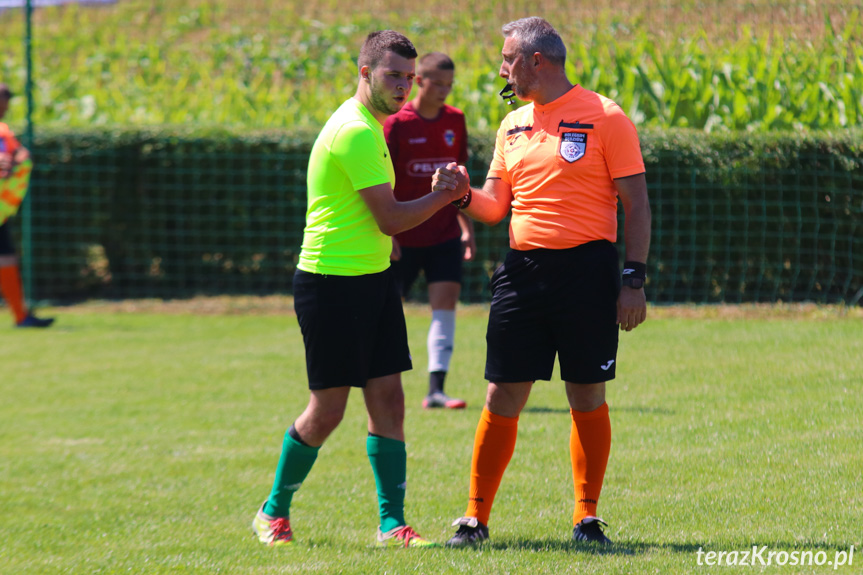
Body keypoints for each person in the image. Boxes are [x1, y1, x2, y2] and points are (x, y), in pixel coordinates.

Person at [434, 17, 651, 546]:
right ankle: (475, 518)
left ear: (537, 61)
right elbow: (494, 207)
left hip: (588, 273)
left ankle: (587, 517)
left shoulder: (606, 116)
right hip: (522, 273)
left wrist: (633, 279)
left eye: (508, 58)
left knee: (586, 393)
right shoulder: (511, 126)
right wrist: (461, 193)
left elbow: (637, 204)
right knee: (501, 393)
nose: (501, 67)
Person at [251, 30, 466, 549]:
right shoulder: (355, 130)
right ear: (364, 72)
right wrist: (443, 196)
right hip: (330, 285)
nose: (402, 86)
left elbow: (374, 219)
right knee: (327, 410)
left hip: (370, 282)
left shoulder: (373, 125)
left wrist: (386, 244)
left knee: (390, 402)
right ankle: (271, 512)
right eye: (393, 75)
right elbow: (391, 217)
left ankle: (392, 525)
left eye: (409, 79)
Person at [383, 52, 475, 410]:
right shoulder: (397, 123)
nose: (444, 90)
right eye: (437, 82)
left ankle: (436, 388)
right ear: (418, 80)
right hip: (402, 236)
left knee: (445, 306)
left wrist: (466, 226)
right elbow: (382, 182)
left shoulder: (455, 120)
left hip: (444, 235)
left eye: (449, 84)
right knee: (385, 311)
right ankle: (376, 380)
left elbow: (460, 178)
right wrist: (387, 232)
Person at [0, 83, 53, 329]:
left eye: (5, 104)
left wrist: (18, 156)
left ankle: (21, 316)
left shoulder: (3, 131)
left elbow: (17, 153)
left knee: (7, 258)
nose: (3, 108)